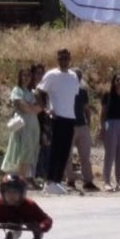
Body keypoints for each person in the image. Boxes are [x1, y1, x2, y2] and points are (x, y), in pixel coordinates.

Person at [37, 49, 80, 195]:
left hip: (70, 117)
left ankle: (57, 180)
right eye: (61, 58)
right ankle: (49, 181)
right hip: (57, 117)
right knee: (55, 150)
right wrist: (46, 109)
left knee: (65, 151)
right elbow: (39, 91)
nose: (63, 61)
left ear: (70, 59)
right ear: (57, 59)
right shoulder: (51, 75)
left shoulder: (73, 76)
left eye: (66, 58)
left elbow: (73, 95)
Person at [0, 67, 41, 182]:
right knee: (19, 151)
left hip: (32, 125)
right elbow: (22, 105)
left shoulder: (32, 92)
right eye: (24, 75)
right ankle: (15, 178)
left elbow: (39, 108)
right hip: (21, 125)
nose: (26, 77)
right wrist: (30, 107)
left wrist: (30, 107)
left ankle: (23, 178)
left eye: (28, 75)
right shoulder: (17, 90)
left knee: (28, 152)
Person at [69, 68, 99, 192]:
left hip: (82, 125)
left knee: (85, 156)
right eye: (75, 75)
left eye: (79, 76)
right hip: (69, 125)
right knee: (67, 155)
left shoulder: (82, 92)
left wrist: (88, 123)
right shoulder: (66, 91)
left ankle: (88, 180)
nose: (77, 78)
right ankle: (70, 180)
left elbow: (86, 109)